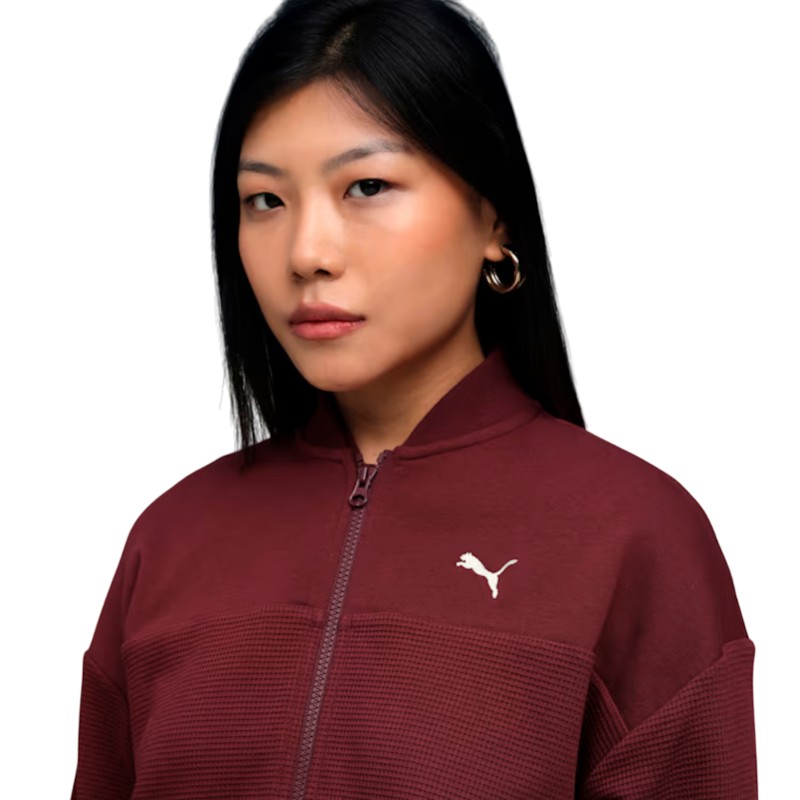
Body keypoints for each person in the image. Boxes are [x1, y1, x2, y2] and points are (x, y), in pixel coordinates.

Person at [71, 0, 758, 797]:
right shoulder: (169, 540)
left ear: (494, 217)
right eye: (266, 200)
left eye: (367, 186)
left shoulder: (636, 537)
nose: (307, 253)